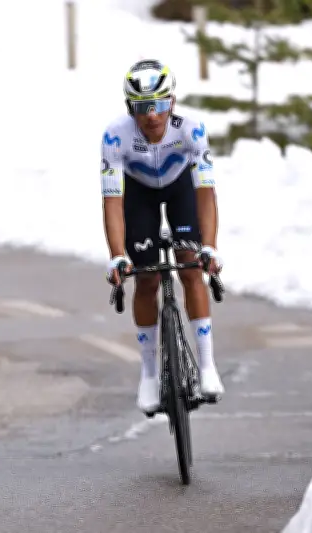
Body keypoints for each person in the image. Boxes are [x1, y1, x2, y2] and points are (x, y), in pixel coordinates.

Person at [99, 58, 225, 414]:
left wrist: (209, 247)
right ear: (130, 108)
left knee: (190, 268)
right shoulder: (115, 136)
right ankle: (150, 375)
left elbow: (206, 193)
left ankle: (206, 365)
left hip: (181, 189)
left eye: (158, 104)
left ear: (172, 101)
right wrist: (118, 253)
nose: (151, 115)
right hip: (139, 195)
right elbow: (112, 200)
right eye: (141, 107)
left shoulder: (191, 130)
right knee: (147, 280)